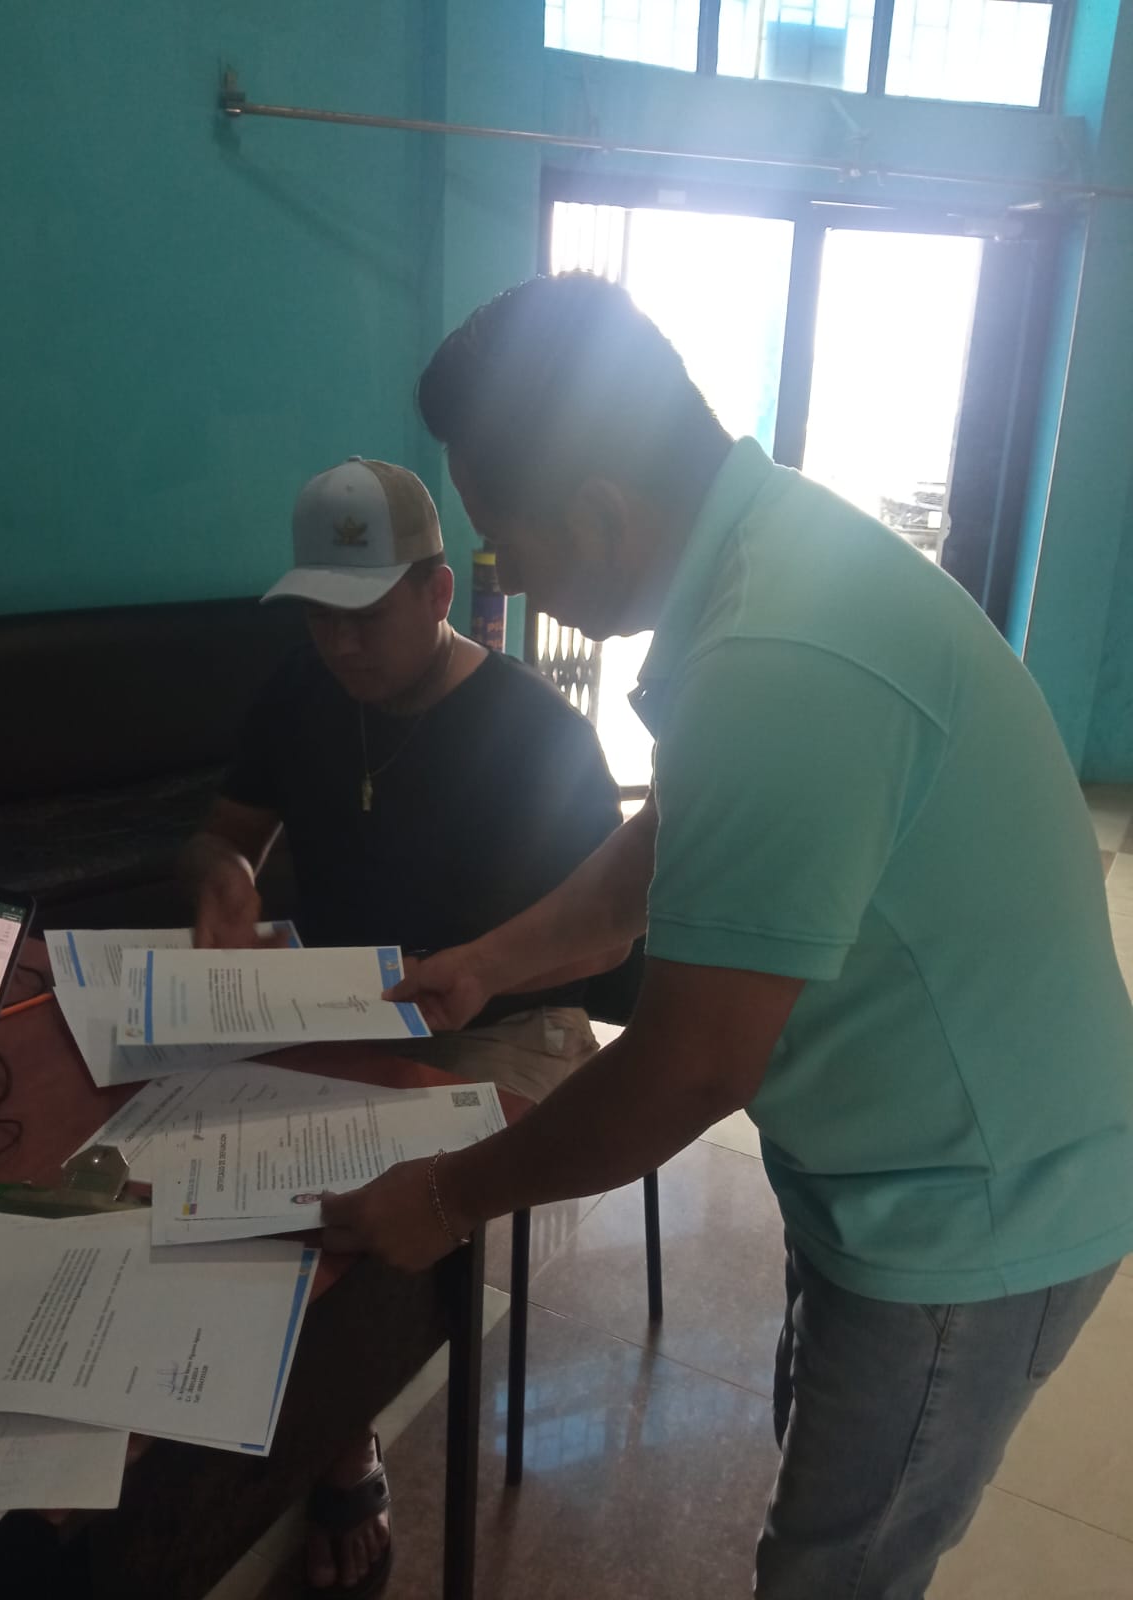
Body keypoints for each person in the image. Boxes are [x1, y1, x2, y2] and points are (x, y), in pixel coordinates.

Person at [317, 275, 1133, 1599]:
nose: (504, 580)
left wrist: (449, 1195)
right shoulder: (763, 562)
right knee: (824, 1513)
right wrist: (491, 965)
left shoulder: (778, 651)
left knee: (833, 1571)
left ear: (600, 515)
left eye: (506, 546)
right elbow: (666, 850)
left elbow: (691, 1068)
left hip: (973, 1206)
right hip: (893, 1163)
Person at [182, 454, 621, 1595]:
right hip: (340, 1003)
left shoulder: (537, 732)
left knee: (372, 1189)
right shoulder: (304, 689)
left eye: (365, 616)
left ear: (436, 592)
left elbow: (610, 949)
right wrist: (227, 876)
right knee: (205, 1146)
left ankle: (340, 1438)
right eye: (318, 617)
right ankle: (229, 1429)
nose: (339, 645)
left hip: (507, 1022)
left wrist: (476, 971)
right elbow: (225, 832)